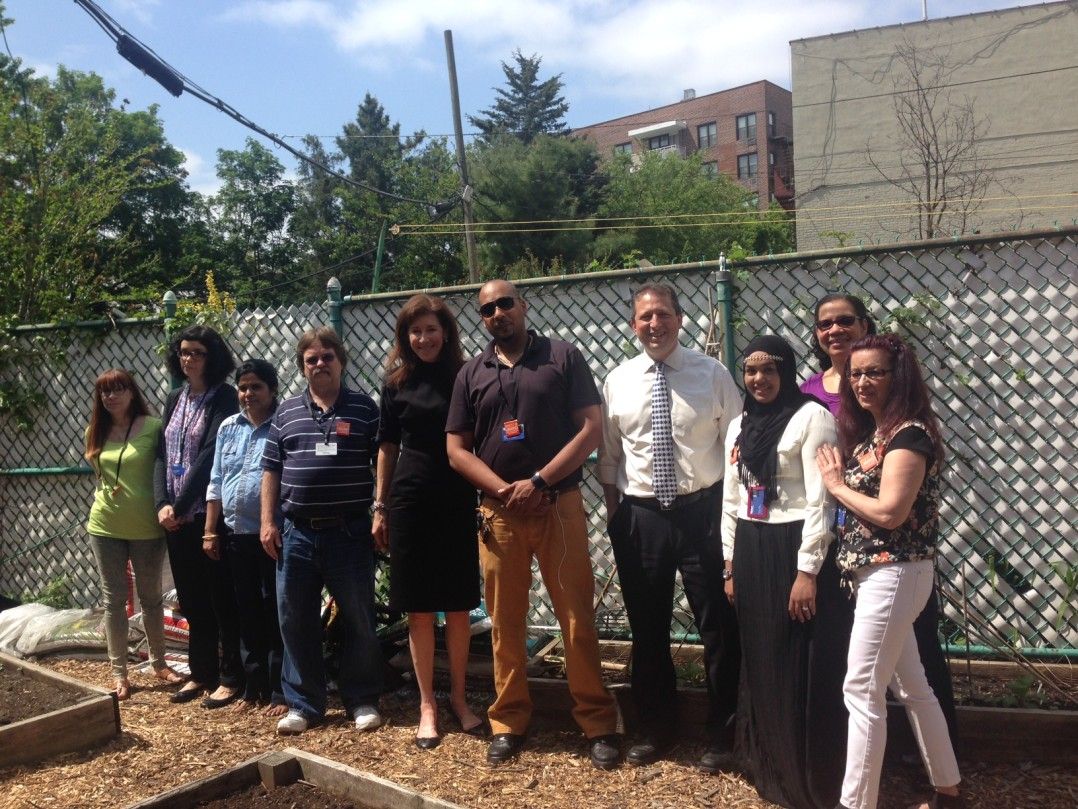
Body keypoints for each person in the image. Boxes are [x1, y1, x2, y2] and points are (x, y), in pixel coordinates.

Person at [446, 280, 620, 770]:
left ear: (523, 305)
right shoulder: (470, 374)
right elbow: (456, 450)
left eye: (504, 303)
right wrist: (504, 491)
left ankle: (598, 721)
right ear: (481, 319)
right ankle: (509, 720)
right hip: (498, 515)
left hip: (557, 505)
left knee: (576, 619)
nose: (497, 313)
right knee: (505, 622)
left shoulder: (562, 357)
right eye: (486, 309)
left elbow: (590, 429)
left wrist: (540, 481)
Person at [597, 283, 742, 773]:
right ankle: (656, 726)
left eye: (662, 315)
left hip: (703, 513)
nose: (654, 325)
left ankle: (722, 732)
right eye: (644, 317)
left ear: (680, 319)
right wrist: (617, 514)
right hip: (642, 519)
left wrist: (730, 518)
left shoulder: (712, 375)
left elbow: (737, 448)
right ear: (634, 324)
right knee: (648, 627)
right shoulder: (619, 381)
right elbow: (611, 455)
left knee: (718, 625)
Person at [816, 333, 964, 809]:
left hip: (895, 572)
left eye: (874, 371)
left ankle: (854, 804)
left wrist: (836, 486)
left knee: (860, 689)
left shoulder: (909, 434)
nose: (862, 382)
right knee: (913, 685)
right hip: (880, 576)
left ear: (898, 376)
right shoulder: (876, 434)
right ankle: (948, 790)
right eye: (856, 373)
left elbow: (891, 513)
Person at [720, 335, 845, 808]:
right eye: (750, 371)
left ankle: (799, 770)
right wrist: (729, 564)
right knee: (760, 653)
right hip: (751, 546)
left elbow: (822, 500)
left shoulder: (812, 417)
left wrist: (808, 571)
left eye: (769, 370)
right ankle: (762, 757)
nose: (759, 379)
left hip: (793, 548)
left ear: (787, 371)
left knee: (795, 655)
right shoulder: (739, 426)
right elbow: (731, 500)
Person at [261, 326, 384, 736]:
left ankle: (361, 698)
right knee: (294, 619)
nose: (319, 364)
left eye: (327, 357)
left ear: (341, 362)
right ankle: (304, 703)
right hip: (296, 534)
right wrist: (267, 522)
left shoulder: (364, 409)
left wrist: (381, 509)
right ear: (302, 367)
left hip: (349, 533)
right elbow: (271, 470)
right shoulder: (286, 413)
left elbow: (382, 461)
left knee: (359, 617)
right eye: (311, 359)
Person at [373, 295, 484, 750]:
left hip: (456, 498)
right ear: (405, 337)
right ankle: (426, 705)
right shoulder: (395, 383)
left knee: (457, 606)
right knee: (419, 608)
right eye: (415, 332)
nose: (423, 339)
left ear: (446, 333)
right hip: (410, 501)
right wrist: (380, 507)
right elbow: (386, 445)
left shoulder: (467, 376)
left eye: (431, 330)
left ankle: (458, 698)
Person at [154, 325, 243, 707]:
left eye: (198, 353)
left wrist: (182, 502)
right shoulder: (176, 397)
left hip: (207, 517)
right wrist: (162, 503)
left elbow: (210, 455)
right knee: (191, 599)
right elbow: (161, 453)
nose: (189, 359)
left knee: (220, 596)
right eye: (184, 352)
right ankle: (200, 673)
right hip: (174, 517)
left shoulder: (224, 397)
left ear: (213, 357)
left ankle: (230, 676)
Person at [85, 369, 184, 700]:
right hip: (105, 525)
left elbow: (164, 470)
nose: (110, 397)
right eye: (104, 392)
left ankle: (158, 662)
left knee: (151, 597)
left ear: (132, 392)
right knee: (113, 601)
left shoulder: (154, 427)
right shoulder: (95, 431)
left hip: (146, 527)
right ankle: (119, 673)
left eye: (118, 389)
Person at [204, 359, 286, 716]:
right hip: (235, 535)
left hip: (272, 536)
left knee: (275, 612)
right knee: (246, 611)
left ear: (272, 390)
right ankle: (253, 687)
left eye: (256, 387)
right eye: (243, 387)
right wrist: (210, 529)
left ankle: (280, 690)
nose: (248, 394)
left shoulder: (282, 424)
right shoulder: (228, 427)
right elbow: (217, 481)